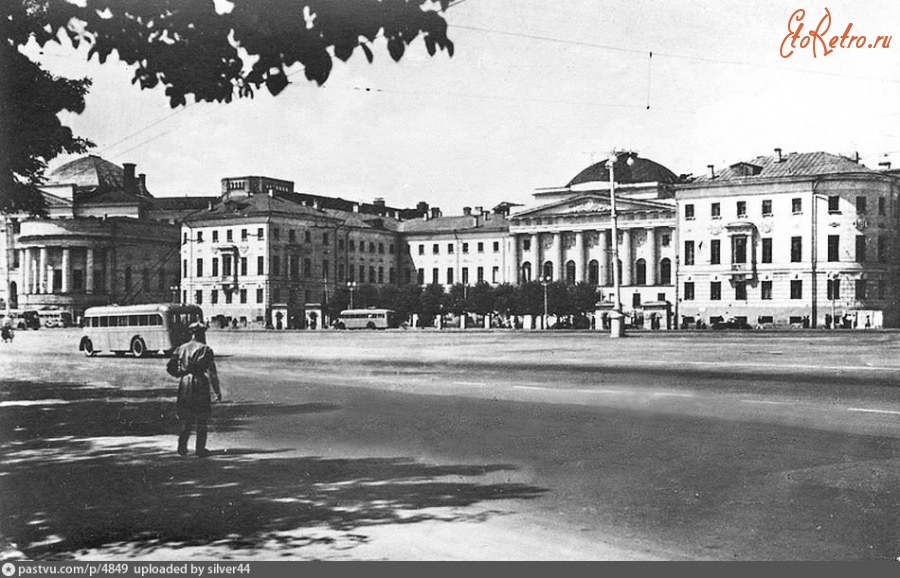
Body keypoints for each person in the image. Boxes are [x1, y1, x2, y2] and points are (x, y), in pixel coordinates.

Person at [167, 322, 222, 457]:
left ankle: (182, 448)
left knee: (186, 416)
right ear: (202, 333)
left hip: (185, 383)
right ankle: (200, 449)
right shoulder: (205, 349)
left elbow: (170, 367)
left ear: (191, 333)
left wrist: (180, 374)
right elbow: (212, 372)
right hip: (200, 383)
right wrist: (217, 391)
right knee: (201, 417)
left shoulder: (181, 348)